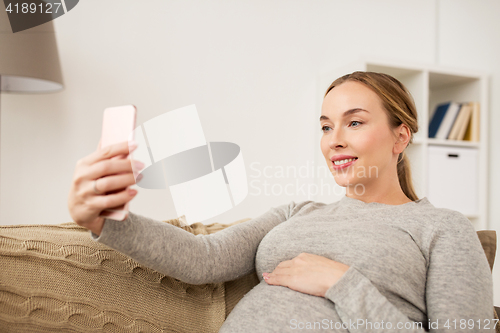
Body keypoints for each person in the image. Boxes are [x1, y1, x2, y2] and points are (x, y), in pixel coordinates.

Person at [67, 71, 494, 332]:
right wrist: (105, 219)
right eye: (326, 127)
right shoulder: (297, 213)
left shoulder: (443, 228)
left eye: (355, 122)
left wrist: (343, 284)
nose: (335, 141)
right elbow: (204, 258)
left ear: (401, 136)